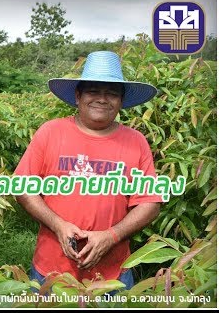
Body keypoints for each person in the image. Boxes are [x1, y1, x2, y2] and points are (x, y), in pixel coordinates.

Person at [15, 51, 162, 290]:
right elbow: (23, 189)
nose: (102, 99)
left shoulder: (136, 141)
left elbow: (150, 203)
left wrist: (111, 236)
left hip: (112, 276)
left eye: (112, 93)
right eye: (93, 91)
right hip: (50, 271)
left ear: (121, 100)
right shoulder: (51, 132)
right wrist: (59, 225)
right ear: (78, 96)